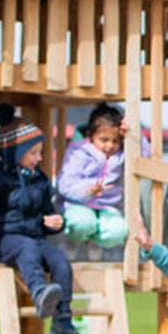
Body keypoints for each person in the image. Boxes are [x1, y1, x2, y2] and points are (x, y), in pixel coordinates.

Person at [0, 104, 80, 334]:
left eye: (40, 152)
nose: (40, 158)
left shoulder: (38, 178)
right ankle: (39, 292)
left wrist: (56, 222)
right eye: (34, 153)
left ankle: (62, 320)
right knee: (26, 248)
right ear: (15, 152)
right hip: (5, 240)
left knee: (60, 262)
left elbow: (48, 213)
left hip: (35, 238)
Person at [55, 103, 139, 248]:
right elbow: (65, 184)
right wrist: (88, 190)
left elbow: (145, 154)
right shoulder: (79, 152)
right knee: (82, 223)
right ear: (90, 136)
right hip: (78, 204)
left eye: (115, 141)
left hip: (108, 206)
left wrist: (133, 134)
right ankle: (78, 238)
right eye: (104, 140)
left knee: (119, 232)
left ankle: (94, 240)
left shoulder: (121, 155)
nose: (110, 146)